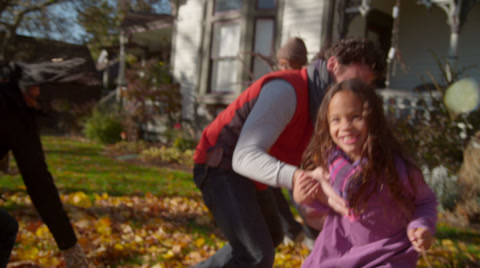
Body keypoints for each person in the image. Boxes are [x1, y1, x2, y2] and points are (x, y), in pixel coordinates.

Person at [192, 38, 384, 268]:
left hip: (250, 175)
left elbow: (316, 178)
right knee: (256, 255)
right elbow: (244, 157)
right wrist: (298, 178)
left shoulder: (326, 111)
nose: (360, 95)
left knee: (270, 237)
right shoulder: (287, 90)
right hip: (219, 164)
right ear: (332, 65)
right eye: (357, 81)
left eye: (366, 87)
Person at [297, 79, 438, 267]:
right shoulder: (328, 165)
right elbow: (325, 205)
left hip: (385, 256)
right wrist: (304, 197)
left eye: (355, 116)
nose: (345, 126)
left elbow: (425, 200)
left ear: (374, 119)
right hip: (336, 252)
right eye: (336, 119)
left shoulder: (395, 167)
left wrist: (421, 225)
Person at [0, 60, 88, 267]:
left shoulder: (7, 101)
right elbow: (39, 182)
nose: (38, 93)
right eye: (35, 86)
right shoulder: (14, 112)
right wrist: (70, 246)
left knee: (5, 227)